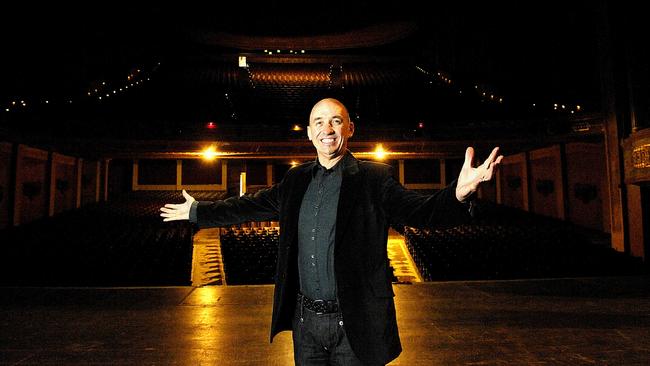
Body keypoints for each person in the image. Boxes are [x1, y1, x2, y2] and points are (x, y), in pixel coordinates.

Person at [160, 98, 503, 365]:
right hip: (306, 323)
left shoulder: (374, 178)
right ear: (309, 132)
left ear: (350, 128)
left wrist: (459, 192)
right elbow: (246, 206)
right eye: (319, 122)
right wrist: (196, 211)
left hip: (355, 320)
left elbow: (422, 212)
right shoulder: (295, 181)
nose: (328, 128)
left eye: (336, 120)